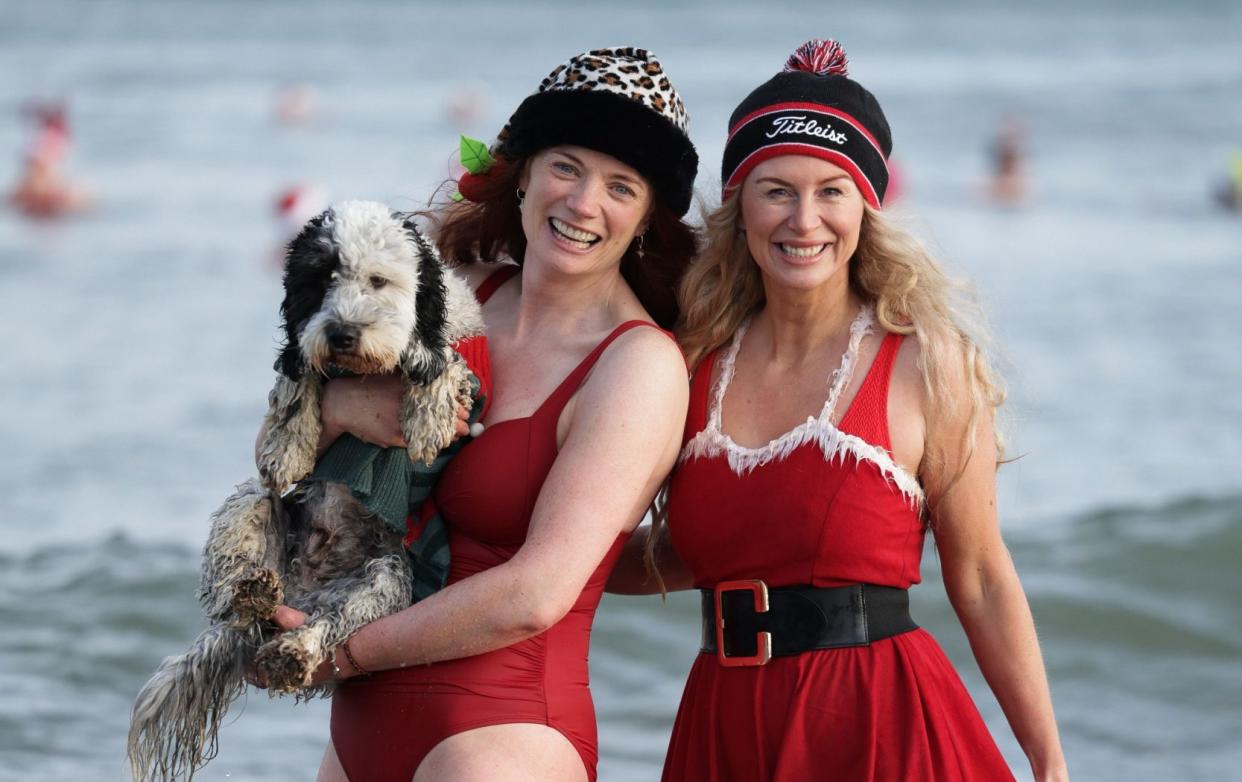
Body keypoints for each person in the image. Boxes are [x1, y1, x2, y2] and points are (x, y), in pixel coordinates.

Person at [610, 39, 1068, 781]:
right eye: (777, 190)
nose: (804, 219)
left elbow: (980, 576)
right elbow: (672, 556)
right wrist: (512, 547)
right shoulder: (685, 363)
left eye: (832, 190)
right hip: (724, 728)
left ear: (867, 207)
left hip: (880, 728)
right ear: (739, 205)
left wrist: (1049, 763)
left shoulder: (926, 363)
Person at [260, 47, 698, 782]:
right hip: (359, 729)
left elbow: (536, 594)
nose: (584, 202)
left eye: (621, 185)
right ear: (521, 173)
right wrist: (336, 404)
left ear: (647, 217)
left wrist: (333, 653)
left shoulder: (638, 368)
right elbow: (279, 454)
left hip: (501, 735)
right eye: (566, 166)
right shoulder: (458, 292)